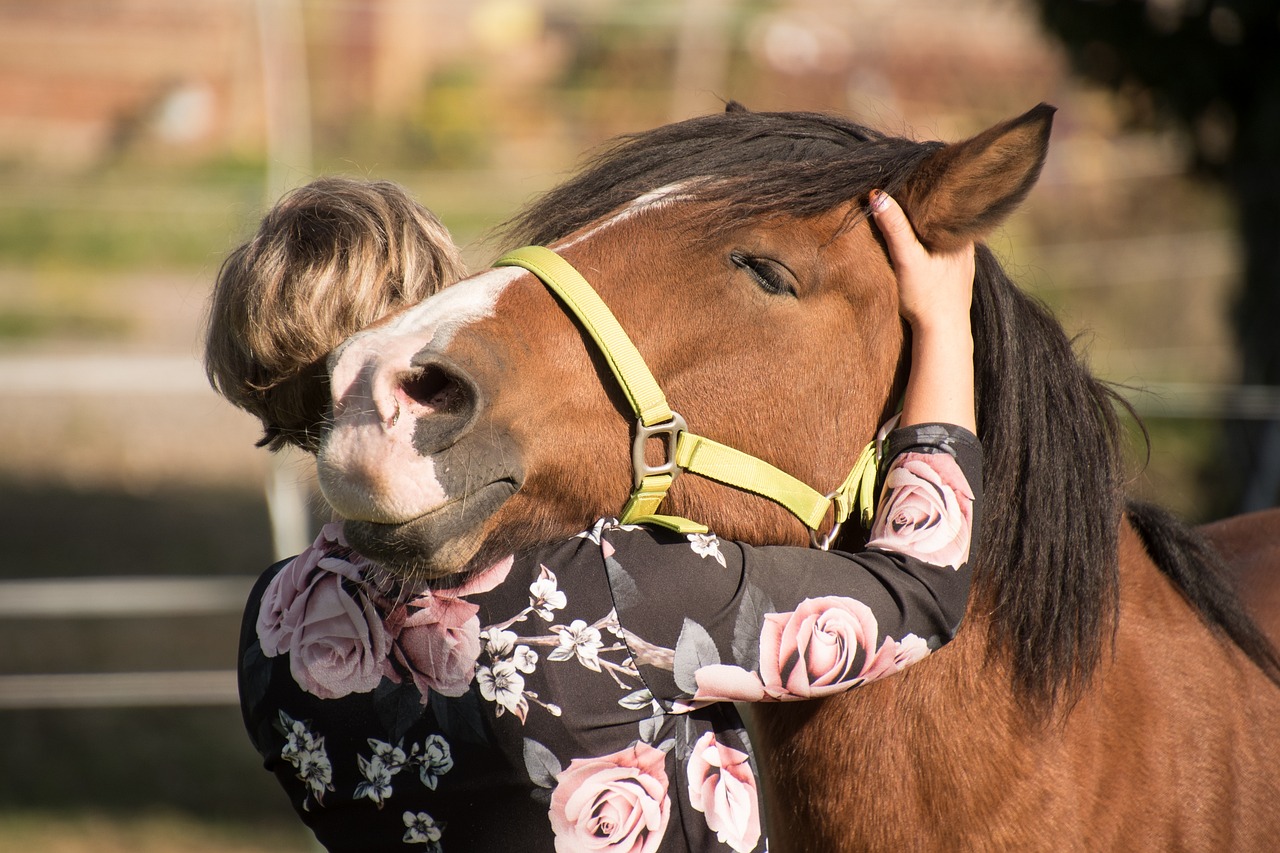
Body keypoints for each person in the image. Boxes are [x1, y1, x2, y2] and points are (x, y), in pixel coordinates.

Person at [207, 181, 980, 853]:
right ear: (432, 325)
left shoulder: (269, 634)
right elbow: (921, 588)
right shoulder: (597, 588)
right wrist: (946, 324)